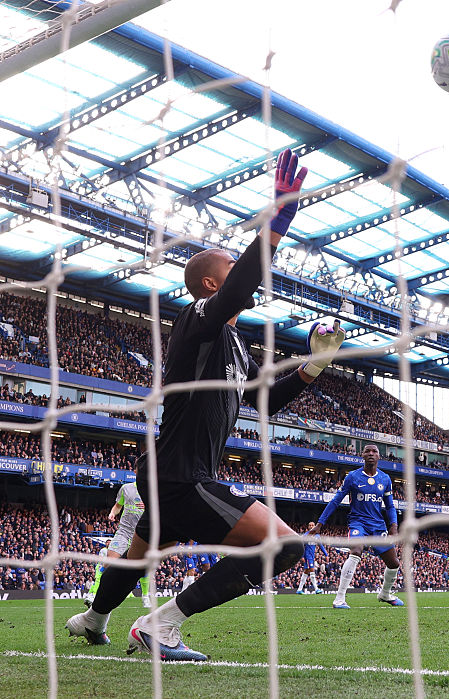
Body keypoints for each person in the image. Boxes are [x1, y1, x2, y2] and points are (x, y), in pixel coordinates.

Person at [65, 149, 347, 660]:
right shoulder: (197, 321)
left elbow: (266, 399)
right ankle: (161, 625)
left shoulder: (235, 347)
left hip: (169, 471)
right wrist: (276, 221)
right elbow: (240, 287)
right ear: (212, 286)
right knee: (284, 546)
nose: (240, 276)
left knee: (139, 556)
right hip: (182, 474)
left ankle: (92, 618)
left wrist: (317, 365)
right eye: (231, 270)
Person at [309, 444, 403, 609]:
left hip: (378, 526)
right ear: (362, 455)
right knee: (356, 551)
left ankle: (385, 594)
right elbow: (335, 501)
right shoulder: (352, 477)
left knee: (394, 563)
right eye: (368, 451)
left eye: (375, 451)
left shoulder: (385, 479)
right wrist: (319, 524)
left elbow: (389, 506)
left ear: (379, 456)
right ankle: (339, 598)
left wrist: (394, 525)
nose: (371, 454)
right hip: (358, 522)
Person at [105, 479, 150, 608]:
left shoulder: (154, 489)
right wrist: (112, 513)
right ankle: (102, 595)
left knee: (144, 568)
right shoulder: (126, 488)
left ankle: (145, 596)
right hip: (124, 532)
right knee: (109, 563)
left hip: (142, 534)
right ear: (136, 471)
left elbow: (162, 511)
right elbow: (118, 506)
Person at [296, 523, 328, 594]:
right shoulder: (305, 535)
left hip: (312, 556)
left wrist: (326, 554)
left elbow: (321, 546)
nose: (311, 526)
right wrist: (302, 556)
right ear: (308, 527)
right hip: (307, 556)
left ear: (315, 527)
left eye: (312, 525)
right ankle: (316, 589)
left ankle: (299, 589)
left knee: (306, 572)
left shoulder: (317, 536)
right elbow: (301, 546)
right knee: (312, 571)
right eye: (310, 525)